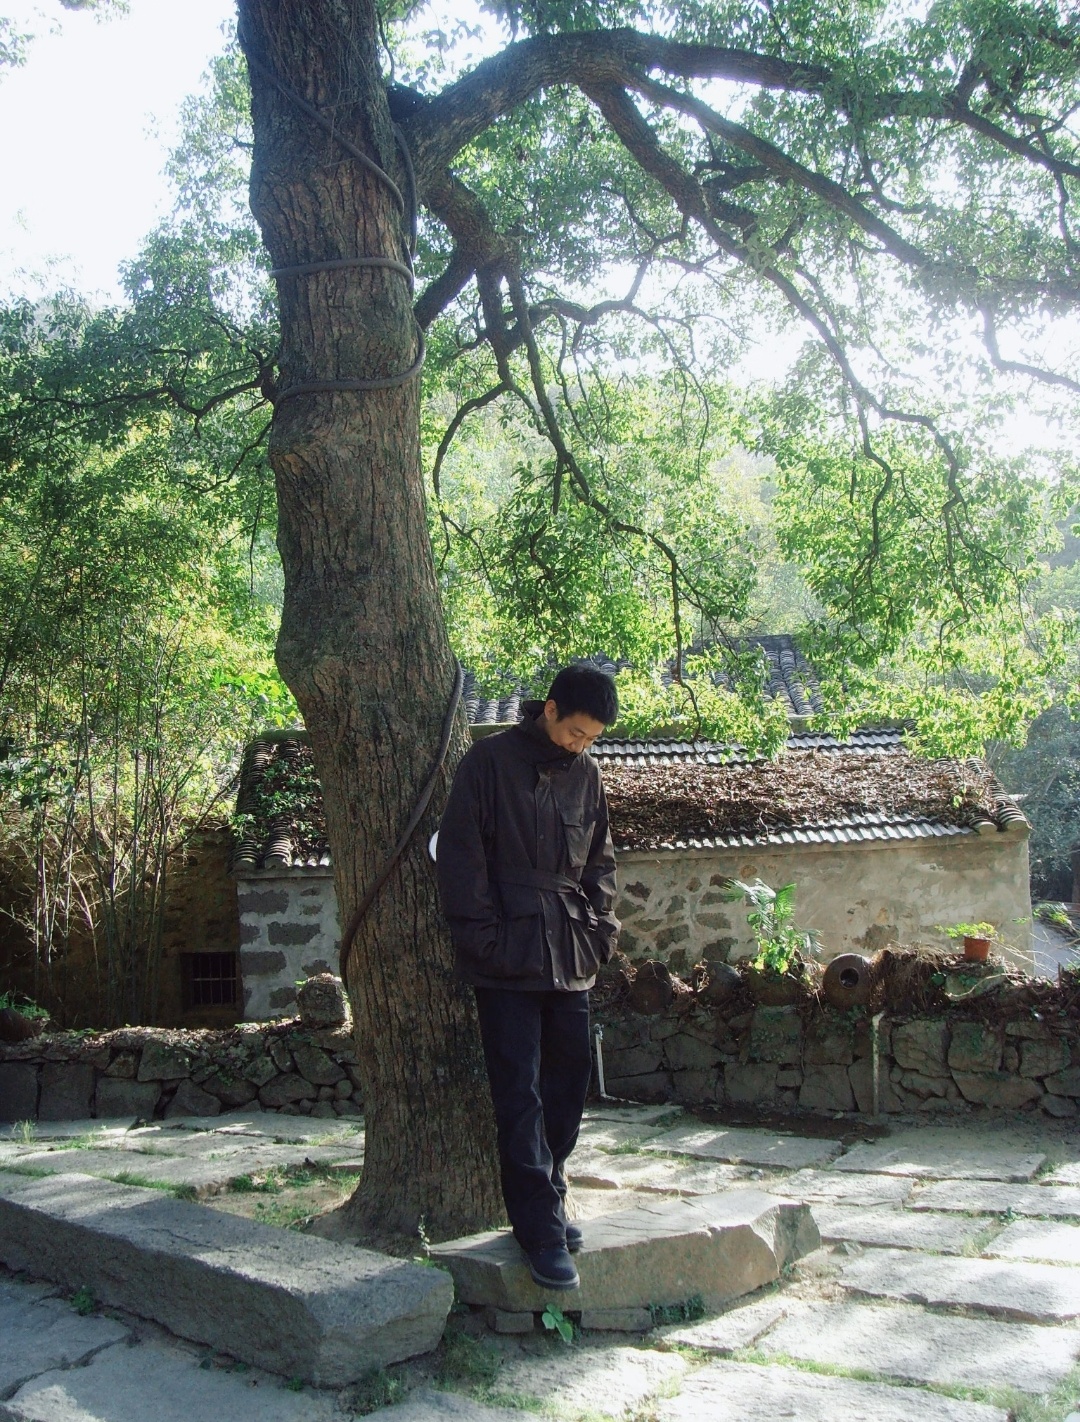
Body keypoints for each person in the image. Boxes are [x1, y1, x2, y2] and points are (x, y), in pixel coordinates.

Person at [437, 664, 620, 1290]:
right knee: (519, 1093)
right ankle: (539, 1230)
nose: (579, 745)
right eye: (574, 732)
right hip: (506, 954)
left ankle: (553, 1190)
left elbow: (600, 863)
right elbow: (460, 858)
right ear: (549, 710)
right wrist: (483, 941)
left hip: (570, 951)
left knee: (569, 1083)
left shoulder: (588, 776)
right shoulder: (487, 763)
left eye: (590, 738)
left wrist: (602, 930)